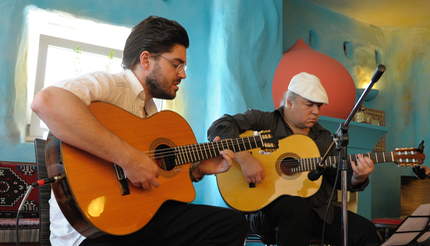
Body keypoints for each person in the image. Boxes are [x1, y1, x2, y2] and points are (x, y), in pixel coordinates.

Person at [31, 16, 247, 246]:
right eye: (176, 64)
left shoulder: (152, 112)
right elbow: (46, 102)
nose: (182, 74)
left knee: (230, 224)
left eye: (183, 66)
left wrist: (195, 171)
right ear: (146, 59)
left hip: (137, 222)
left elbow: (149, 190)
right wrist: (128, 158)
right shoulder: (111, 85)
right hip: (91, 232)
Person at [207, 72, 380, 246]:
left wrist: (357, 178)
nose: (316, 111)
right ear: (289, 102)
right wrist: (245, 159)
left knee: (366, 231)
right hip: (264, 211)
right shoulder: (264, 121)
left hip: (315, 212)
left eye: (319, 106)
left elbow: (335, 177)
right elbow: (219, 127)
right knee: (296, 208)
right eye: (309, 105)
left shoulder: (324, 138)